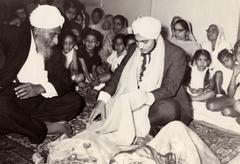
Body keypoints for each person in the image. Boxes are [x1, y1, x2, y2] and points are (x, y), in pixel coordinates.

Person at [89, 16, 193, 141]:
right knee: (104, 99)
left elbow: (170, 88)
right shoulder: (134, 48)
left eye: (145, 42)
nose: (140, 46)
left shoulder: (176, 53)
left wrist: (142, 98)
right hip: (131, 94)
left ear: (156, 37)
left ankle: (139, 122)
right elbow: (118, 75)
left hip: (159, 98)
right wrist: (102, 101)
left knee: (168, 111)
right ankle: (146, 127)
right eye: (137, 41)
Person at [0, 5, 84, 144]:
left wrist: (40, 88)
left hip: (38, 97)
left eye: (58, 35)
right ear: (38, 29)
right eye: (53, 34)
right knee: (1, 106)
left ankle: (20, 123)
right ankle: (43, 128)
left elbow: (65, 81)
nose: (57, 41)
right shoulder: (16, 35)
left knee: (76, 102)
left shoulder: (53, 48)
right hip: (13, 95)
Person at [206, 48, 240, 118]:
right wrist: (234, 75)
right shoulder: (234, 68)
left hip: (237, 100)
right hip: (233, 97)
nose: (225, 63)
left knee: (227, 111)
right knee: (210, 106)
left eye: (227, 60)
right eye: (223, 62)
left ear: (233, 57)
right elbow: (231, 94)